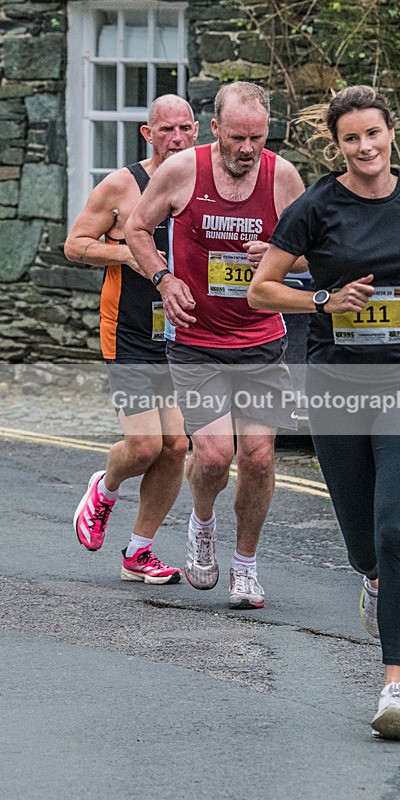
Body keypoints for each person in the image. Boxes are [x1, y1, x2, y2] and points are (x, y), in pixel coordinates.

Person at [248, 85, 400, 738]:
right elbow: (262, 289)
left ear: (390, 131)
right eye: (351, 138)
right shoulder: (316, 207)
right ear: (336, 144)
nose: (364, 146)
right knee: (363, 543)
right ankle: (371, 577)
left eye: (373, 133)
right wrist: (321, 301)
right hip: (336, 387)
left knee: (395, 528)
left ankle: (394, 688)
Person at [125, 81, 306, 609]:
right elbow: (137, 228)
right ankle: (201, 526)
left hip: (261, 341)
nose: (247, 149)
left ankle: (245, 567)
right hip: (197, 342)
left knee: (258, 457)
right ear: (215, 129)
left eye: (257, 137)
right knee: (211, 455)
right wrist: (163, 278)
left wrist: (279, 256)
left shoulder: (283, 177)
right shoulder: (182, 171)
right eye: (236, 137)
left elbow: (312, 254)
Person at [65, 94, 199, 584]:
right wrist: (130, 253)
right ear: (148, 134)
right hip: (128, 331)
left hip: (180, 331)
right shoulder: (124, 184)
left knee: (176, 447)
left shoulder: (201, 182)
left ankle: (138, 553)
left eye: (185, 128)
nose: (177, 138)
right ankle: (105, 484)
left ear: (198, 129)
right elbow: (75, 243)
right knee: (143, 447)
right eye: (166, 130)